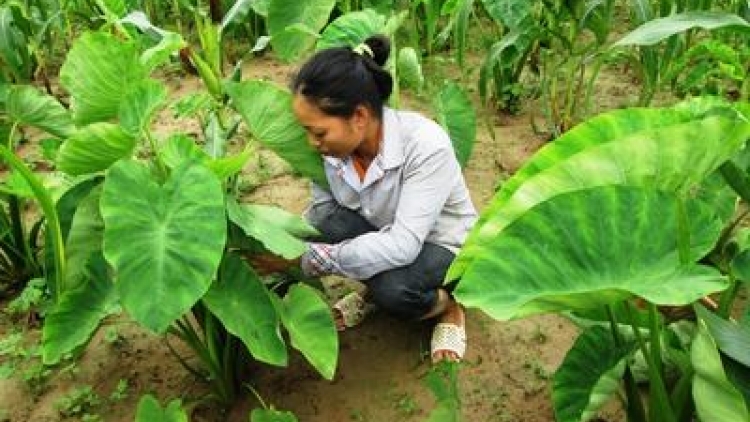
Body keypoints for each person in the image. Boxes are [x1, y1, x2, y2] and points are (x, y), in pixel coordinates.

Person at [253, 34, 477, 363]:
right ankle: (374, 285)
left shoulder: (426, 146)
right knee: (325, 223)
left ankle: (447, 307)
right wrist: (281, 246)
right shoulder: (335, 150)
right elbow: (322, 216)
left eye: (318, 132)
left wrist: (303, 260)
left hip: (440, 242)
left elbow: (403, 245)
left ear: (359, 116)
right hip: (383, 229)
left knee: (394, 291)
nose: (311, 143)